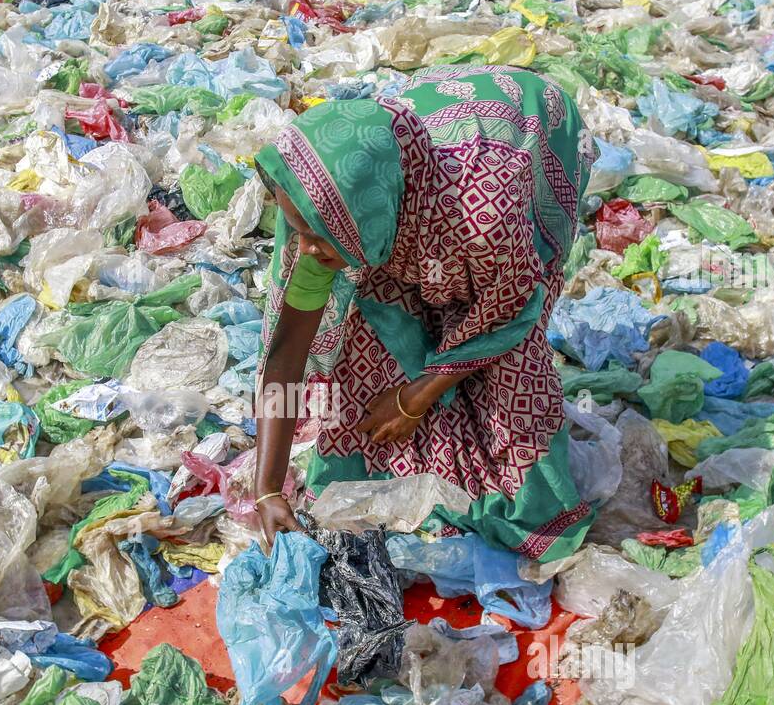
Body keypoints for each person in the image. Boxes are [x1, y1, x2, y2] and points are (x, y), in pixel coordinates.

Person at [252, 65, 597, 561]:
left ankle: (507, 484)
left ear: (367, 214)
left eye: (315, 237)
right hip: (407, 200)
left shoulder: (486, 218)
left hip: (527, 133)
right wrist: (267, 486)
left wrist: (415, 398)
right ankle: (407, 462)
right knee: (364, 326)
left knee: (502, 364)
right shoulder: (321, 211)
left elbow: (512, 313)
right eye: (296, 230)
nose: (304, 249)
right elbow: (288, 352)